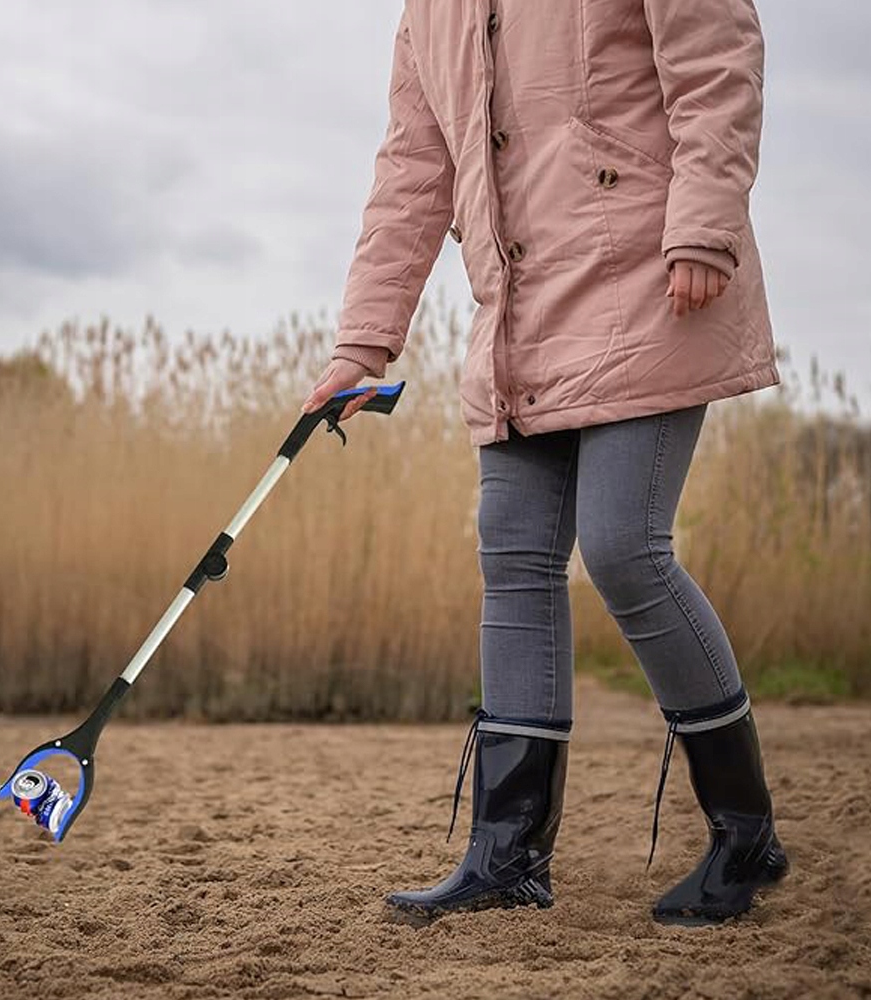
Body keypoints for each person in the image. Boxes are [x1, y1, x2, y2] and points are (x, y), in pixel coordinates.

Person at [302, 0, 788, 926]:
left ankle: (744, 833)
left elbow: (716, 62)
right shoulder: (428, 13)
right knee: (513, 555)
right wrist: (362, 341)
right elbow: (413, 168)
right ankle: (507, 852)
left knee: (623, 546)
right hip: (519, 317)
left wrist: (705, 226)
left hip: (652, 278)